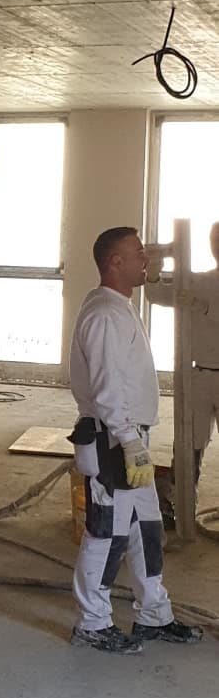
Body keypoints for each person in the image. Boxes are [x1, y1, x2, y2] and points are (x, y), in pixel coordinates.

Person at [67, 226, 202, 653]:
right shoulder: (105, 314)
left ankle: (153, 615)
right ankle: (92, 623)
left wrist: (136, 441)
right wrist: (128, 441)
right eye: (139, 253)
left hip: (129, 439)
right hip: (112, 440)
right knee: (106, 534)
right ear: (115, 262)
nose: (147, 259)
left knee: (146, 530)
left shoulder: (118, 306)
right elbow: (107, 387)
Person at [146, 221, 219, 526]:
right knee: (190, 444)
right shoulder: (200, 280)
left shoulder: (201, 289)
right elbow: (157, 295)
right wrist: (153, 271)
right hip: (199, 374)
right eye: (216, 241)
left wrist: (204, 307)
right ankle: (182, 509)